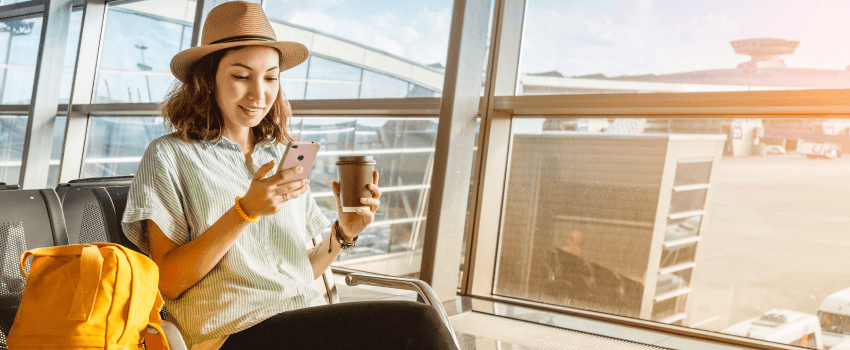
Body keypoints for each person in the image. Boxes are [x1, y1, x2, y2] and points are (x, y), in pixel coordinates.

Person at [120, 2, 457, 349]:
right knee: (417, 323)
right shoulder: (169, 155)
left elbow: (294, 272)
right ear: (208, 78)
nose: (259, 94)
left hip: (297, 319)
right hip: (230, 334)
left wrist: (343, 234)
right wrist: (243, 212)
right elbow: (168, 283)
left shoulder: (281, 154)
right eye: (241, 76)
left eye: (270, 78)